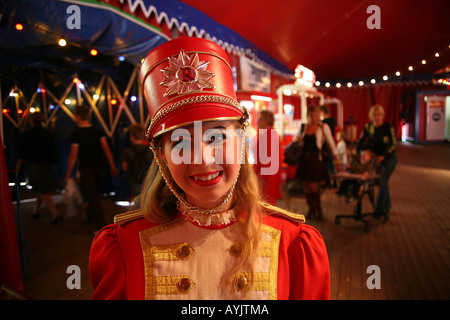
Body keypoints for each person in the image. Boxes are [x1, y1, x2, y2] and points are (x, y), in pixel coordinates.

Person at [89, 37, 329, 300]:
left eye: (217, 136)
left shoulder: (293, 242)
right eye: (181, 142)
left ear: (240, 140)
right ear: (162, 155)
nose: (203, 159)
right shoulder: (123, 247)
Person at [65, 105, 118, 232]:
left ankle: (101, 227)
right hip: (99, 167)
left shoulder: (76, 134)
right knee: (93, 195)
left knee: (93, 196)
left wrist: (68, 172)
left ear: (78, 117)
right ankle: (90, 218)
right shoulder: (97, 130)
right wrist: (112, 165)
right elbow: (106, 149)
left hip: (85, 169)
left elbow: (73, 155)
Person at [295, 106, 340, 220]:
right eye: (311, 115)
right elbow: (296, 141)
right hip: (305, 159)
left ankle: (319, 210)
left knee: (313, 185)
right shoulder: (304, 127)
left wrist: (336, 158)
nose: (314, 118)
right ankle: (311, 209)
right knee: (306, 186)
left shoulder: (323, 127)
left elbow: (330, 142)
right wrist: (299, 141)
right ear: (308, 116)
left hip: (316, 160)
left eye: (315, 115)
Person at [16, 112, 62, 224]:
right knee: (41, 188)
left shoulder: (28, 134)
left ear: (31, 121)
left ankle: (54, 213)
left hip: (34, 165)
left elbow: (22, 151)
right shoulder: (47, 133)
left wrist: (18, 165)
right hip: (47, 164)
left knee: (41, 189)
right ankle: (36, 210)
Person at [357, 104, 397, 219]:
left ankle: (378, 211)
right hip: (376, 158)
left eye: (379, 115)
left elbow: (393, 144)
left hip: (389, 158)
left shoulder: (388, 127)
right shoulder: (368, 127)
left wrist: (384, 156)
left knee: (383, 181)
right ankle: (387, 208)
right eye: (374, 115)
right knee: (383, 183)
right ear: (371, 116)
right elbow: (361, 141)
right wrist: (359, 153)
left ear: (382, 116)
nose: (377, 117)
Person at [254, 110, 281, 205]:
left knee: (267, 203)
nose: (258, 121)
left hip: (267, 176)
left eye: (260, 119)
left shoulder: (270, 134)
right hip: (265, 174)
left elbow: (268, 156)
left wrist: (261, 176)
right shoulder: (267, 133)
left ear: (267, 121)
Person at [121, 123, 153, 199]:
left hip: (134, 180)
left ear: (132, 137)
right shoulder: (150, 150)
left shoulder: (127, 151)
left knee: (137, 201)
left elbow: (124, 167)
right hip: (148, 179)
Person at [319, 105, 336, 188]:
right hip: (330, 144)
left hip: (326, 145)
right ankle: (334, 182)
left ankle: (329, 182)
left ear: (322, 111)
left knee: (328, 165)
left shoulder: (324, 123)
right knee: (331, 164)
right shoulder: (332, 121)